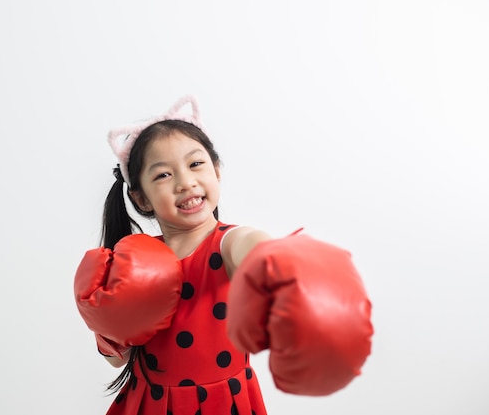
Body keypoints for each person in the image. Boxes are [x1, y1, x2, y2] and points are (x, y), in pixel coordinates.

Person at [74, 96, 373, 415]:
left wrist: (279, 263)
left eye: (195, 164)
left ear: (216, 171)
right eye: (163, 175)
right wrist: (106, 323)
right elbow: (116, 359)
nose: (185, 183)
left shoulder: (228, 242)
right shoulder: (134, 262)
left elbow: (252, 248)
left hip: (222, 404)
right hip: (148, 404)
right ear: (141, 198)